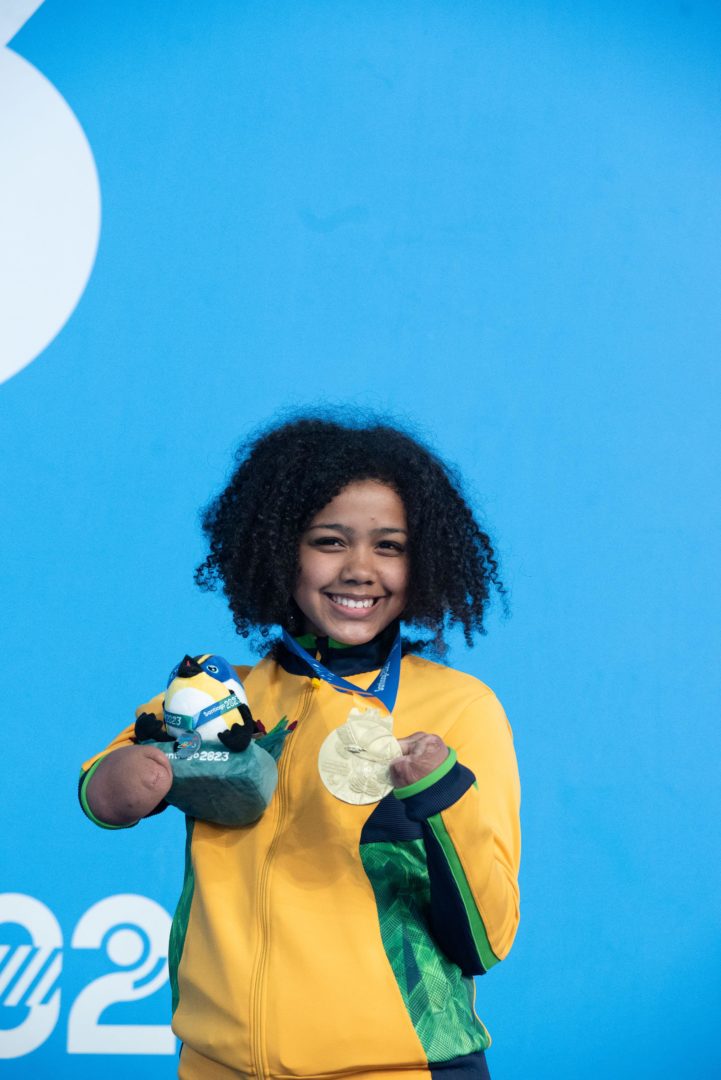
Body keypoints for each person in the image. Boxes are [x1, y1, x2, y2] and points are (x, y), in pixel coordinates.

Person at [79, 415, 521, 1080]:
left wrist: (437, 794)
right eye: (329, 541)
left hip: (398, 1067)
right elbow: (104, 789)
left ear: (423, 559)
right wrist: (124, 779)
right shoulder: (220, 695)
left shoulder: (459, 708)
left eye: (389, 546)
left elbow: (485, 937)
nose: (359, 569)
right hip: (215, 1064)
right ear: (280, 548)